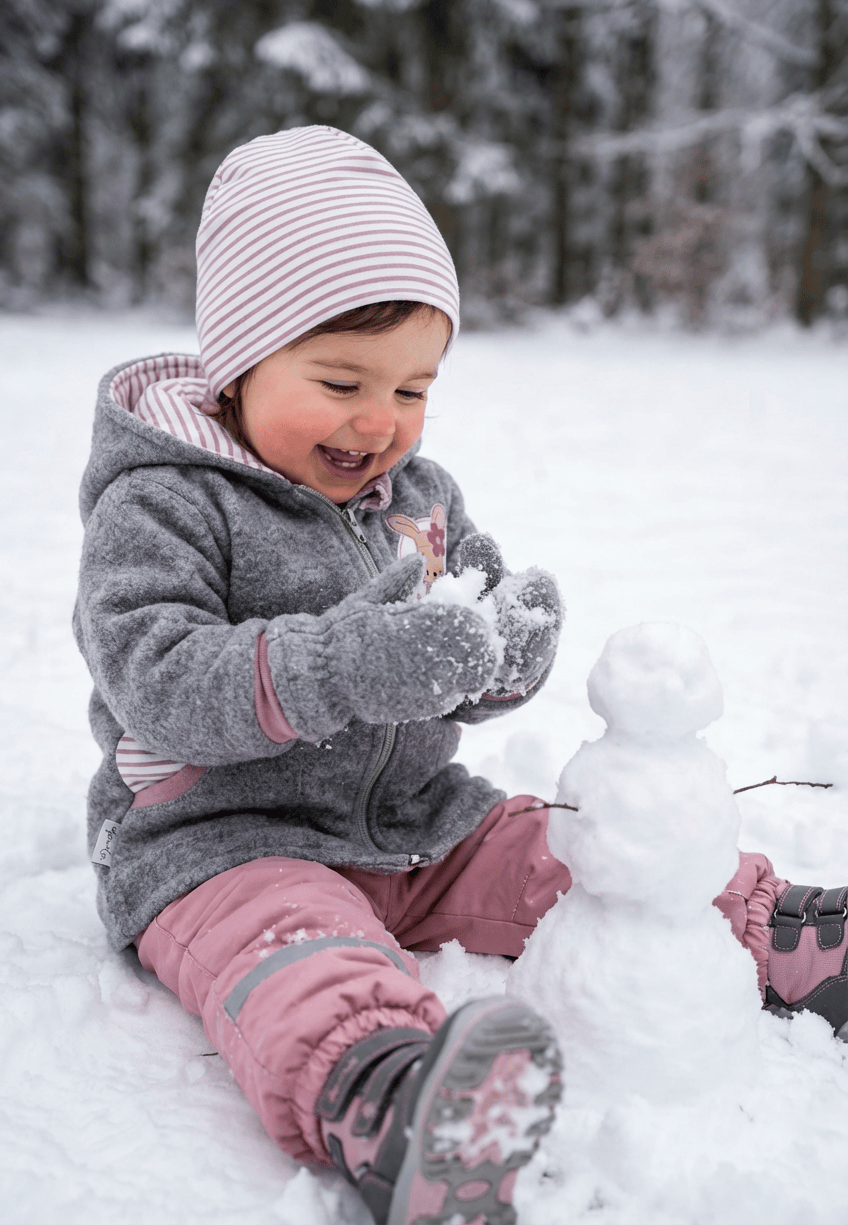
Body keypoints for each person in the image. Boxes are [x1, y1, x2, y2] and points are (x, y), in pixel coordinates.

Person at [74, 126, 847, 1225]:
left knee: (570, 850)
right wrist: (349, 665)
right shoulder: (162, 504)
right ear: (237, 363)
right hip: (222, 846)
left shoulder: (416, 493)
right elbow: (158, 678)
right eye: (340, 380)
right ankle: (386, 1093)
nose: (379, 420)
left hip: (416, 823)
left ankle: (775, 929)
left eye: (412, 388)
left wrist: (501, 651)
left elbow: (466, 622)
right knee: (297, 954)